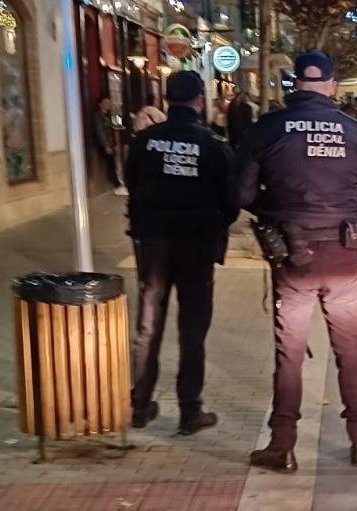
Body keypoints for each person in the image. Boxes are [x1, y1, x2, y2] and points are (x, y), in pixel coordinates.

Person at [237, 50, 357, 472]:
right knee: (350, 352)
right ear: (333, 86)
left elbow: (242, 194)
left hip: (293, 256)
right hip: (342, 256)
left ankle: (282, 446)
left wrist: (279, 206)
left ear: (295, 83)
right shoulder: (353, 131)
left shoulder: (267, 128)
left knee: (290, 355)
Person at [124, 71, 238, 435]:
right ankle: (190, 411)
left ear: (166, 101)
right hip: (197, 246)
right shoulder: (213, 145)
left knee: (147, 326)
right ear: (199, 101)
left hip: (153, 246)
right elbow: (231, 201)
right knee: (192, 331)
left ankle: (139, 406)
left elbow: (132, 183)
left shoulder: (145, 142)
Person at [96, 96, 127, 196]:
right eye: (105, 103)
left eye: (109, 103)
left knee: (117, 162)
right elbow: (100, 132)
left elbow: (118, 128)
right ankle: (117, 185)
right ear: (100, 104)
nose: (108, 105)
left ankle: (120, 181)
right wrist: (106, 145)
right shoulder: (98, 116)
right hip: (107, 144)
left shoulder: (112, 114)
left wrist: (118, 143)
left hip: (114, 143)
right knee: (112, 164)